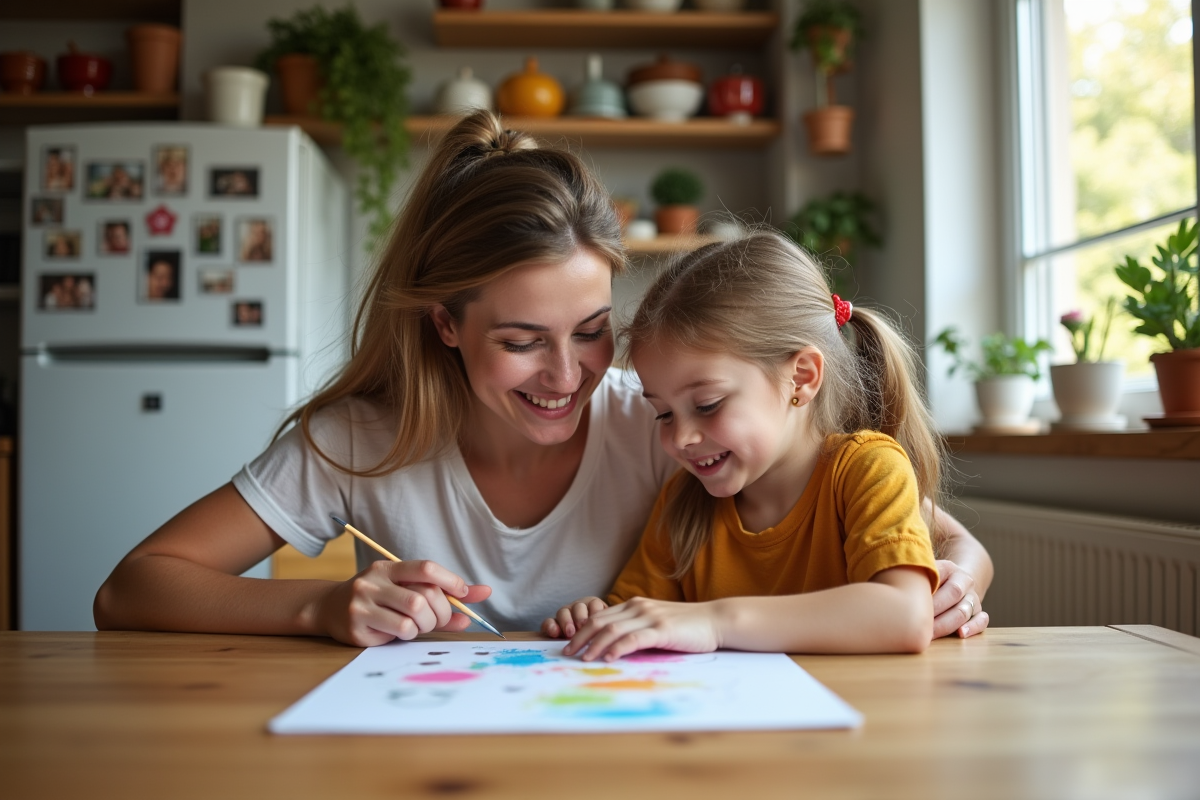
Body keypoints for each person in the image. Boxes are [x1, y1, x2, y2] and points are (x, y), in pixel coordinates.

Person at [93, 110, 991, 645]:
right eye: (524, 340)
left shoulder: (658, 416)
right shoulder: (361, 439)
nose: (570, 375)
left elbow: (926, 534)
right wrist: (322, 607)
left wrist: (965, 573)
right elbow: (131, 587)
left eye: (595, 332)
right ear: (445, 323)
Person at [543, 233, 982, 661]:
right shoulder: (682, 505)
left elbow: (903, 616)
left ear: (803, 377)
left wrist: (714, 621)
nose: (680, 438)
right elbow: (642, 616)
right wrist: (599, 615)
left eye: (707, 404)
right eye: (664, 413)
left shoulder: (868, 469)